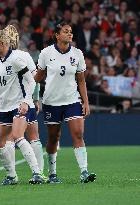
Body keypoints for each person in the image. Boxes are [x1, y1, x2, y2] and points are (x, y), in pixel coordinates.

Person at [34, 22, 96, 183]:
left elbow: (81, 81)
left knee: (78, 134)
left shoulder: (77, 54)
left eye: (71, 32)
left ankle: (84, 171)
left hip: (72, 100)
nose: (70, 34)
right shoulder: (46, 53)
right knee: (54, 137)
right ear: (57, 35)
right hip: (51, 102)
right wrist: (30, 97)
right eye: (66, 31)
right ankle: (52, 173)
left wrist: (85, 102)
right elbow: (37, 78)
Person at [0, 25, 45, 179]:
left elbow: (32, 81)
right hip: (4, 106)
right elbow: (0, 85)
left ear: (3, 42)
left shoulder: (17, 58)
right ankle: (11, 176)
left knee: (18, 136)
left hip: (19, 104)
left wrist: (27, 101)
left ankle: (37, 173)